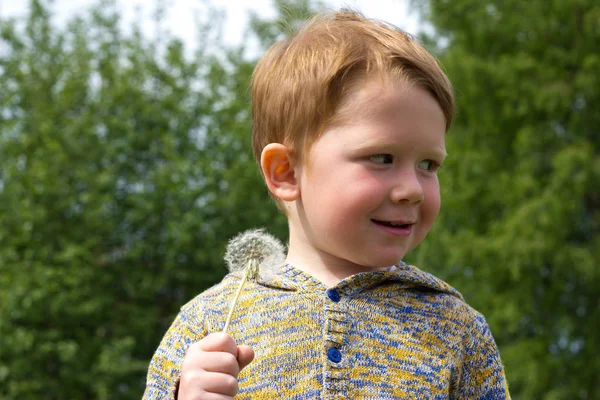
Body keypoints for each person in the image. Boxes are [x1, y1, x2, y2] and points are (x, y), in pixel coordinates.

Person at [143, 9, 510, 399]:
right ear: (286, 172)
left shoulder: (455, 327)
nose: (412, 189)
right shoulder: (209, 323)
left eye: (428, 164)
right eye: (382, 158)